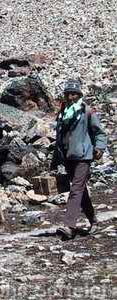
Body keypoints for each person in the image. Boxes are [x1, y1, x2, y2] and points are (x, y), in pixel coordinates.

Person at [54, 79, 107, 239]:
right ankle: (94, 221)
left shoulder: (87, 111)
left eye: (74, 94)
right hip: (68, 156)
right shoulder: (63, 113)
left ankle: (69, 226)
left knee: (76, 189)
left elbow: (99, 132)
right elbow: (59, 136)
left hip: (84, 156)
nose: (71, 97)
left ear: (79, 95)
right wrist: (57, 157)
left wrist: (99, 147)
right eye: (68, 94)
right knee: (81, 190)